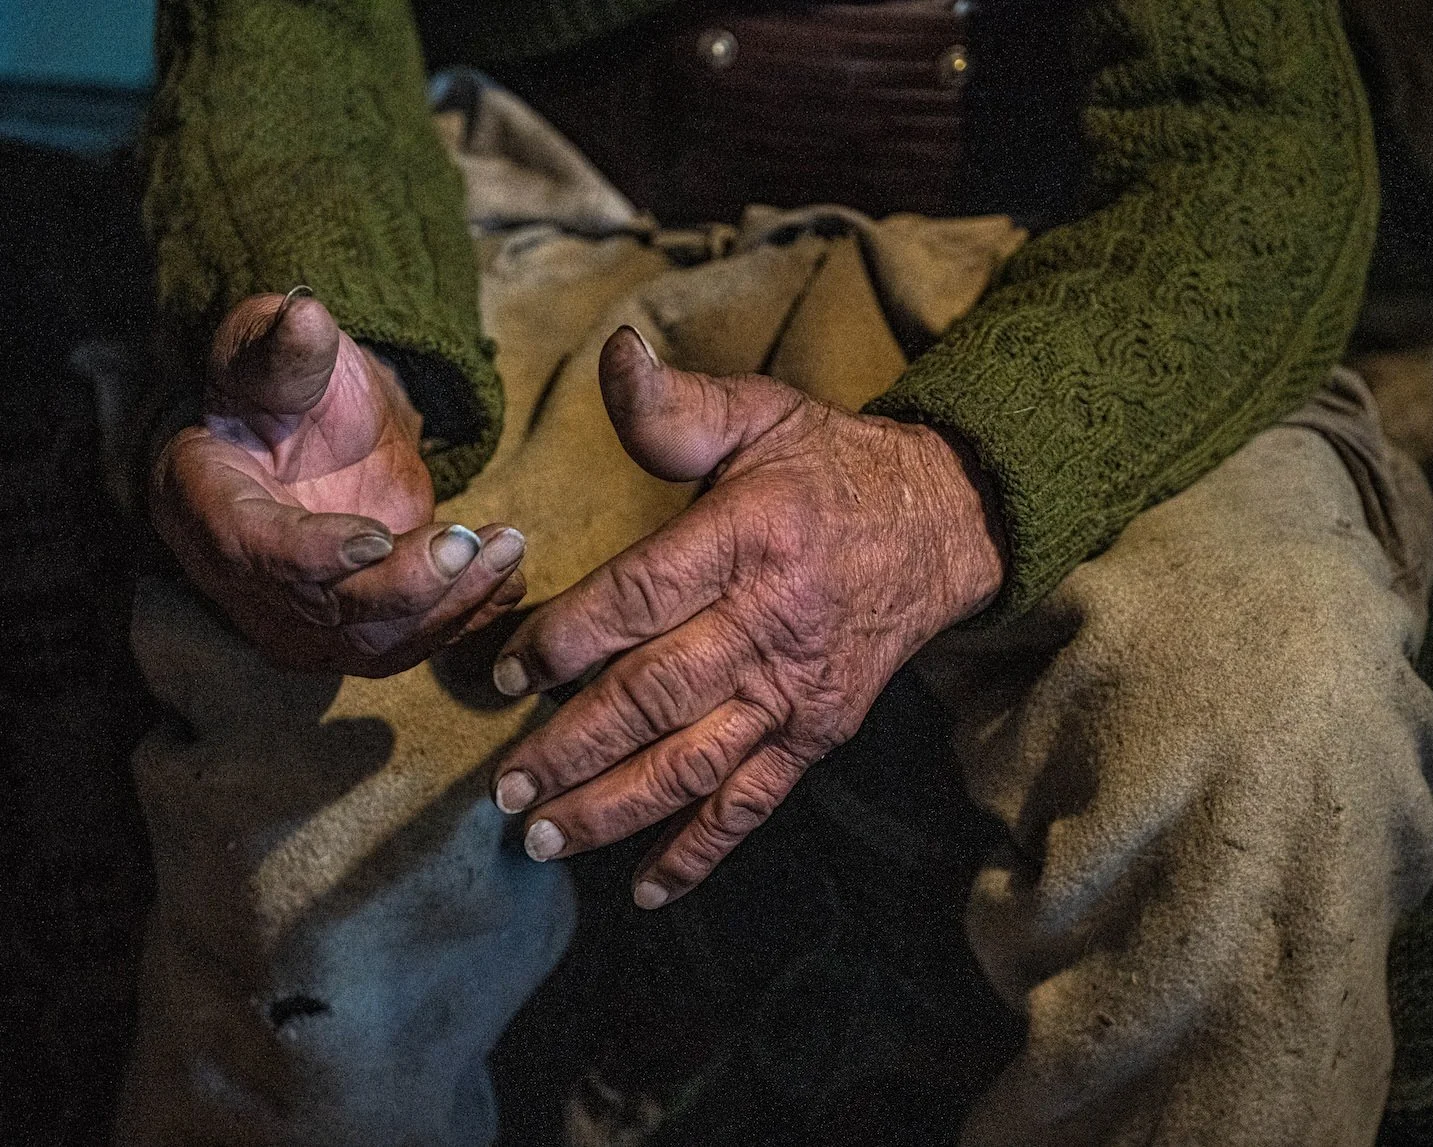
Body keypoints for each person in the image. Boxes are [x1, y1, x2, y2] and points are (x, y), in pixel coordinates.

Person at [122, 0, 1433, 1144]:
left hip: (1064, 263)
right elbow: (289, 31)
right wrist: (340, 331)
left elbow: (1259, 120)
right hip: (508, 235)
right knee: (319, 884)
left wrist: (954, 485)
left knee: (1278, 701)